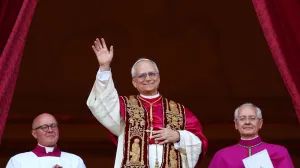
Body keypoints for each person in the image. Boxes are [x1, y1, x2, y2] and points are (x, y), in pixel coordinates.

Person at [87, 38, 208, 168]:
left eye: (152, 74)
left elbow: (200, 143)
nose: (148, 78)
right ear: (134, 82)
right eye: (142, 75)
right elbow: (103, 103)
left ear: (159, 78)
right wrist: (104, 67)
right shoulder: (124, 106)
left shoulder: (180, 111)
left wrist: (179, 136)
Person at [208, 103, 294, 168]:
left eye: (252, 118)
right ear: (236, 124)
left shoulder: (279, 152)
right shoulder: (221, 156)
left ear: (260, 123)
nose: (247, 122)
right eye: (242, 119)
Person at [6, 113, 86, 168]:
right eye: (44, 127)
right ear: (34, 133)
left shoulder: (75, 161)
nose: (50, 130)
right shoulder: (18, 161)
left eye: (53, 126)